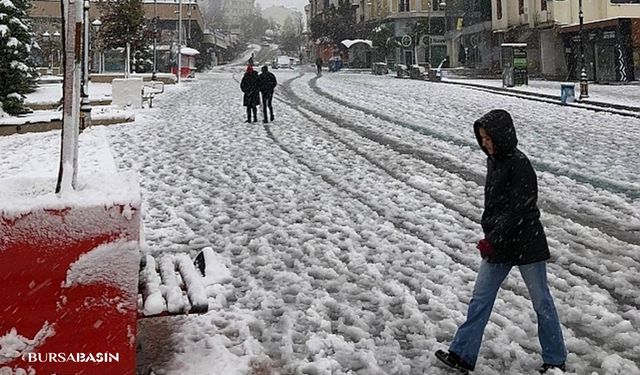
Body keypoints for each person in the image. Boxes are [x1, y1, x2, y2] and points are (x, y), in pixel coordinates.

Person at [435, 109, 567, 374]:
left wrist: (492, 238)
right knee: (480, 299)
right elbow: (495, 206)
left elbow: (520, 209)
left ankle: (555, 359)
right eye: (481, 138)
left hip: (526, 242)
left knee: (541, 302)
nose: (484, 143)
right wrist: (491, 234)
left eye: (488, 138)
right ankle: (462, 354)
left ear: (501, 136)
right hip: (499, 243)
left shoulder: (520, 164)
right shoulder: (494, 160)